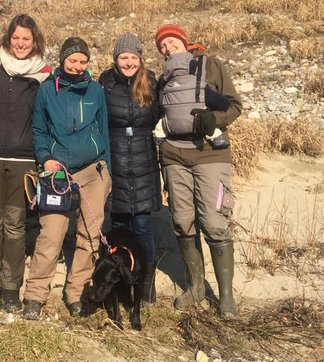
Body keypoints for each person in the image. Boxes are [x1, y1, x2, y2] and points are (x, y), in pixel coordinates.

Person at [155, 24, 242, 318]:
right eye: (162, 46)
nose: (167, 48)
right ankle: (196, 287)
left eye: (170, 42)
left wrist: (212, 118)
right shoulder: (164, 79)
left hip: (210, 155)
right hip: (173, 157)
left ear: (183, 41)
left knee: (215, 222)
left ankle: (226, 295)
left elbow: (235, 106)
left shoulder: (213, 66)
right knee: (181, 220)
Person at [23, 37, 112, 320]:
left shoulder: (95, 89)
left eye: (82, 61)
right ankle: (36, 295)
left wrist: (105, 167)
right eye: (72, 61)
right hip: (57, 171)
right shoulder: (47, 90)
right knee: (51, 233)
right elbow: (39, 130)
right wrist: (45, 158)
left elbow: (104, 128)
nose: (77, 66)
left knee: (89, 235)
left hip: (92, 171)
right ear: (62, 60)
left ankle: (76, 293)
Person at [0, 14, 51, 313]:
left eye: (26, 39)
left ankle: (10, 289)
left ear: (35, 42)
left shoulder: (43, 73)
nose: (21, 44)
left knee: (16, 227)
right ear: (9, 38)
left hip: (23, 159)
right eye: (16, 38)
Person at [98, 34, 162, 304]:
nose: (128, 62)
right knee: (119, 228)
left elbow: (162, 116)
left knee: (143, 227)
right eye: (123, 57)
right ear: (115, 59)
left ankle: (146, 286)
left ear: (140, 59)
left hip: (144, 164)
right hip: (115, 163)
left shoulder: (151, 82)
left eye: (133, 57)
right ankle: (121, 281)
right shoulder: (105, 83)